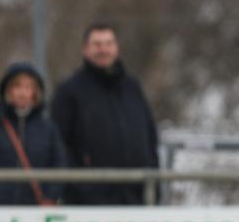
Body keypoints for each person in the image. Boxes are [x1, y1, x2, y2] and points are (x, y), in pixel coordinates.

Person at [50, 23, 159, 205]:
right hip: (89, 205)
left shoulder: (133, 88)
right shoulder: (69, 91)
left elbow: (150, 139)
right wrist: (82, 188)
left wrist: (153, 185)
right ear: (85, 49)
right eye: (97, 44)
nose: (103, 49)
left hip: (136, 199)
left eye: (108, 43)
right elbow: (59, 145)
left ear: (117, 48)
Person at [0, 62, 66, 205]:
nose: (22, 92)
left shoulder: (48, 128)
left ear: (35, 92)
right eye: (17, 86)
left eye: (28, 87)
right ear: (8, 90)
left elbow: (59, 164)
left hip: (36, 208)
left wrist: (50, 197)